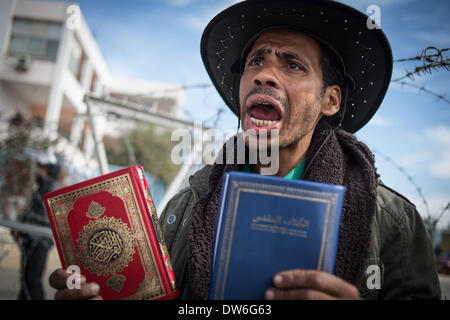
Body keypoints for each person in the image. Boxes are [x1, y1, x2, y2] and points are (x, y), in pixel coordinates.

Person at [49, 0, 441, 300]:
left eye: (293, 65)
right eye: (256, 61)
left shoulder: (393, 223)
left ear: (331, 100)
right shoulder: (186, 207)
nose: (263, 74)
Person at [14, 155, 63, 299]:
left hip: (40, 241)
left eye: (41, 167)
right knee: (25, 279)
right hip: (30, 239)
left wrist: (25, 224)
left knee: (32, 280)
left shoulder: (50, 188)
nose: (37, 169)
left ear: (49, 169)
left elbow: (46, 217)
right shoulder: (40, 186)